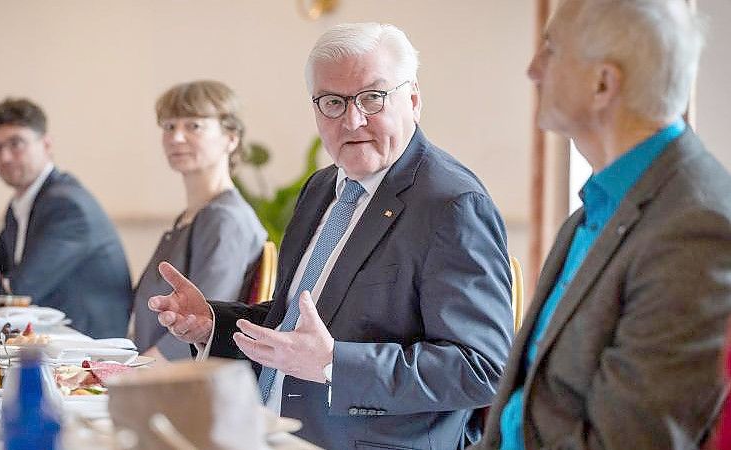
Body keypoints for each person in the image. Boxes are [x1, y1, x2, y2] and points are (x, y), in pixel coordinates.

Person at [150, 22, 514, 449]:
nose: (352, 119)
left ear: (413, 99)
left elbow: (483, 368)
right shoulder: (323, 187)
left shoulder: (451, 203)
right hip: (274, 432)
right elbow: (293, 323)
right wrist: (212, 325)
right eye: (332, 102)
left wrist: (334, 364)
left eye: (373, 97)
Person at [474, 1, 731, 449]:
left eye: (551, 49)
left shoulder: (694, 228)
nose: (534, 70)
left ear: (602, 84)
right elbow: (529, 401)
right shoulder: (601, 202)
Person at [131, 80, 266, 362]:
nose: (176, 137)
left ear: (231, 138)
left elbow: (200, 323)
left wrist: (133, 373)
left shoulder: (225, 219)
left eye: (193, 126)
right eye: (169, 126)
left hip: (186, 386)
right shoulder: (192, 216)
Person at [0, 98, 133, 339]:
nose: (5, 157)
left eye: (16, 144)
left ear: (46, 144)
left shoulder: (67, 205)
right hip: (47, 342)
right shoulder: (19, 206)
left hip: (88, 348)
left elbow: (21, 290)